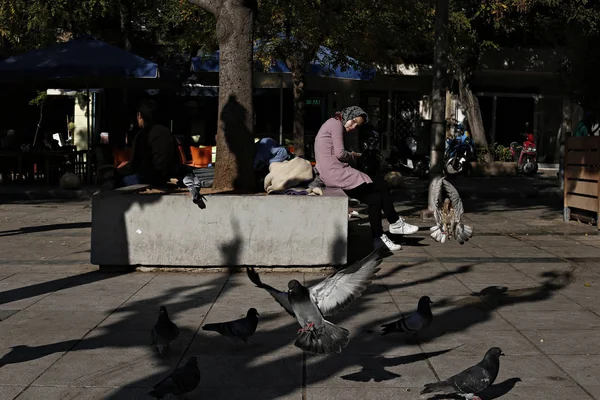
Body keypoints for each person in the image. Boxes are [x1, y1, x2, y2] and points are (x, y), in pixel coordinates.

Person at [314, 106, 419, 251]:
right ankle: (395, 222)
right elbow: (339, 154)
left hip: (332, 174)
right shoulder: (335, 124)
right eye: (354, 121)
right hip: (337, 174)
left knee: (375, 198)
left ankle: (378, 238)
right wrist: (354, 156)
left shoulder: (332, 124)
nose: (353, 126)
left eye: (357, 125)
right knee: (382, 184)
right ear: (348, 115)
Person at [116, 99, 178, 186]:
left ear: (139, 115)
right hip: (166, 176)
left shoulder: (143, 135)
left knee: (114, 182)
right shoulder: (167, 131)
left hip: (149, 178)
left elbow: (133, 166)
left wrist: (117, 171)